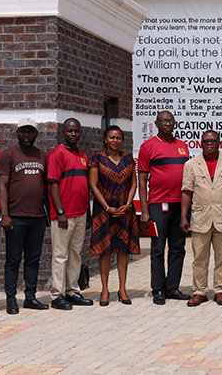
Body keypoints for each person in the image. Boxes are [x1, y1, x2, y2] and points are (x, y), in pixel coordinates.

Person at [0, 118, 50, 314]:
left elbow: (46, 186)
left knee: (33, 259)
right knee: (13, 260)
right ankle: (11, 299)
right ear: (17, 132)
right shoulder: (8, 155)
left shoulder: (42, 156)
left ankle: (30, 297)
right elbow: (2, 186)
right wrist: (5, 214)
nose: (27, 135)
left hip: (36, 216)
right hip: (16, 216)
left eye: (31, 131)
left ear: (36, 134)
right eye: (23, 131)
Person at [138, 111, 190, 305]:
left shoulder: (182, 147)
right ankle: (158, 289)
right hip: (158, 206)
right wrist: (144, 211)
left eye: (170, 121)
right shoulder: (148, 147)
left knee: (178, 248)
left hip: (181, 206)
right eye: (164, 121)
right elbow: (142, 181)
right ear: (157, 124)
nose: (168, 124)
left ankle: (172, 288)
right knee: (158, 249)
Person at [180, 130, 222, 307]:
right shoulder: (191, 165)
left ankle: (220, 290)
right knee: (200, 258)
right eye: (206, 141)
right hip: (200, 217)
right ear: (200, 143)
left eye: (213, 140)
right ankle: (199, 291)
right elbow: (187, 191)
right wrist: (183, 216)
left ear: (219, 142)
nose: (210, 143)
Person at [88, 125, 140, 307]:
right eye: (112, 137)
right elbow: (93, 185)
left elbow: (134, 183)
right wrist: (107, 207)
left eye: (118, 138)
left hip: (125, 211)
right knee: (105, 250)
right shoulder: (97, 159)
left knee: (123, 249)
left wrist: (128, 203)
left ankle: (122, 288)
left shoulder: (128, 159)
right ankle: (104, 289)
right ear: (105, 139)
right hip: (105, 212)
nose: (115, 141)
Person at [47, 118, 93, 310]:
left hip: (81, 213)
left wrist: (88, 213)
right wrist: (60, 212)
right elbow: (53, 184)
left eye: (76, 131)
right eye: (70, 131)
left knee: (75, 254)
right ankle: (57, 294)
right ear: (63, 132)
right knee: (60, 255)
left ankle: (72, 290)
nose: (73, 134)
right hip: (63, 215)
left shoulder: (82, 155)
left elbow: (84, 187)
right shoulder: (57, 154)